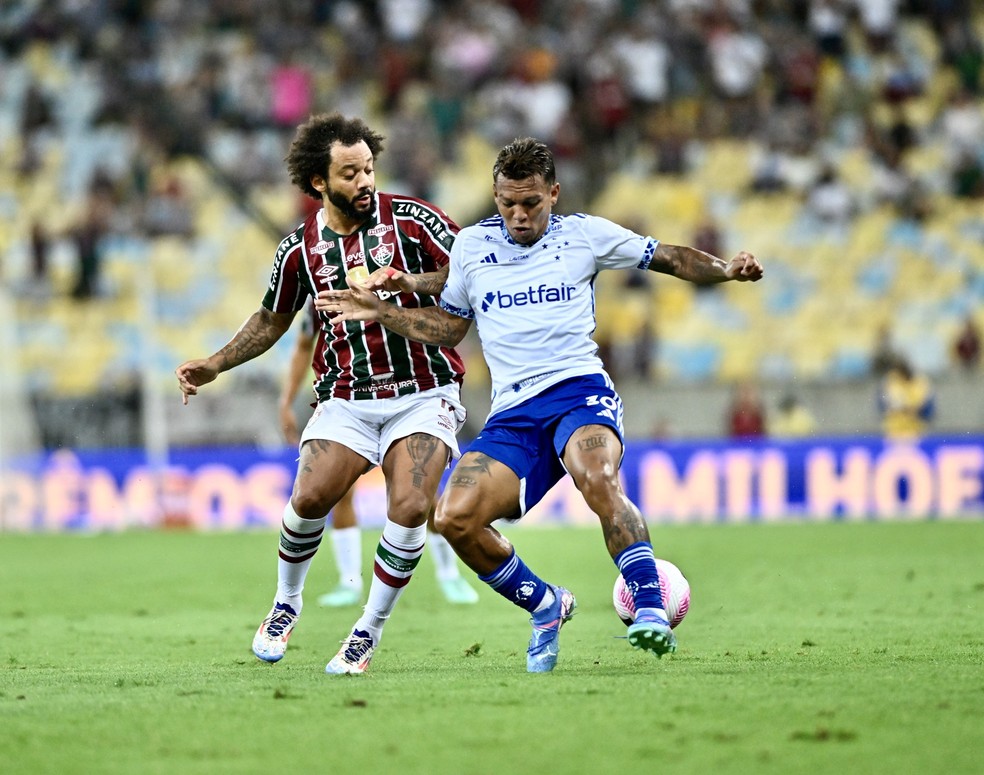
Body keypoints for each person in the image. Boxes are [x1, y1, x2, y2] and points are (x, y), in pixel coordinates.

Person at [319, 137, 764, 672]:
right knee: (453, 517)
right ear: (495, 195)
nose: (519, 215)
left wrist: (726, 271)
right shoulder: (471, 247)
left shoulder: (584, 235)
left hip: (578, 391)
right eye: (507, 203)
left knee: (598, 478)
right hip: (513, 414)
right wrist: (384, 312)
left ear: (553, 193)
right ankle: (546, 604)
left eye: (531, 202)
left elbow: (668, 256)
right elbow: (451, 329)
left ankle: (649, 608)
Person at [175, 113, 470, 675]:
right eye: (350, 172)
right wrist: (215, 363)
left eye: (369, 169)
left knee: (408, 506)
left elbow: (471, 271)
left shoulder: (414, 220)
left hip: (424, 391)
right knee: (310, 499)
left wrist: (408, 284)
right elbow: (271, 318)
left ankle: (367, 632)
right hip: (346, 397)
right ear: (319, 182)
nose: (365, 182)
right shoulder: (300, 249)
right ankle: (286, 603)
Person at [278, 297, 479, 608]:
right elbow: (304, 345)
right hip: (348, 400)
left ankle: (449, 572)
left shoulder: (394, 284)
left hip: (406, 398)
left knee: (416, 496)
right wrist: (287, 400)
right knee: (336, 492)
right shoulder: (319, 297)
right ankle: (349, 581)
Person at [878, 356, 935, 441]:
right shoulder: (890, 381)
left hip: (917, 428)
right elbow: (883, 403)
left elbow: (927, 405)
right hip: (893, 428)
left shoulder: (920, 382)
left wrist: (915, 409)